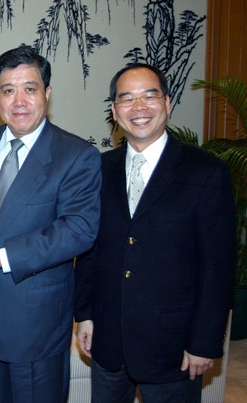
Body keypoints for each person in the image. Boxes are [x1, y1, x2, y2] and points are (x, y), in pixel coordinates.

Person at [0, 44, 102, 402]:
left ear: (47, 92)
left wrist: (0, 257)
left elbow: (78, 230)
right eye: (8, 90)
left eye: (30, 88)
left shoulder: (76, 155)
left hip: (35, 323)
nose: (19, 101)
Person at [74, 63, 237, 402]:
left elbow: (218, 267)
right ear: (115, 111)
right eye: (127, 99)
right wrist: (85, 315)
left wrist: (204, 342)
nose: (139, 107)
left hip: (173, 347)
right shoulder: (99, 169)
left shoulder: (206, 171)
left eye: (149, 96)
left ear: (167, 102)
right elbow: (91, 249)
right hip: (108, 340)